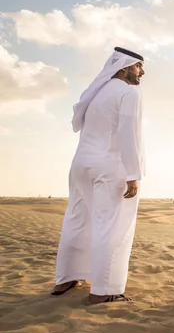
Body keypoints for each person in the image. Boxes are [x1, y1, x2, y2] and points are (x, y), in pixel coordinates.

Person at [52, 47, 146, 305]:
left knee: (77, 219)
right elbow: (128, 133)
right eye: (139, 66)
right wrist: (133, 173)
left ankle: (66, 278)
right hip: (110, 165)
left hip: (81, 164)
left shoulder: (96, 92)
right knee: (110, 225)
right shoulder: (128, 93)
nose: (142, 72)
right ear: (125, 67)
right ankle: (103, 290)